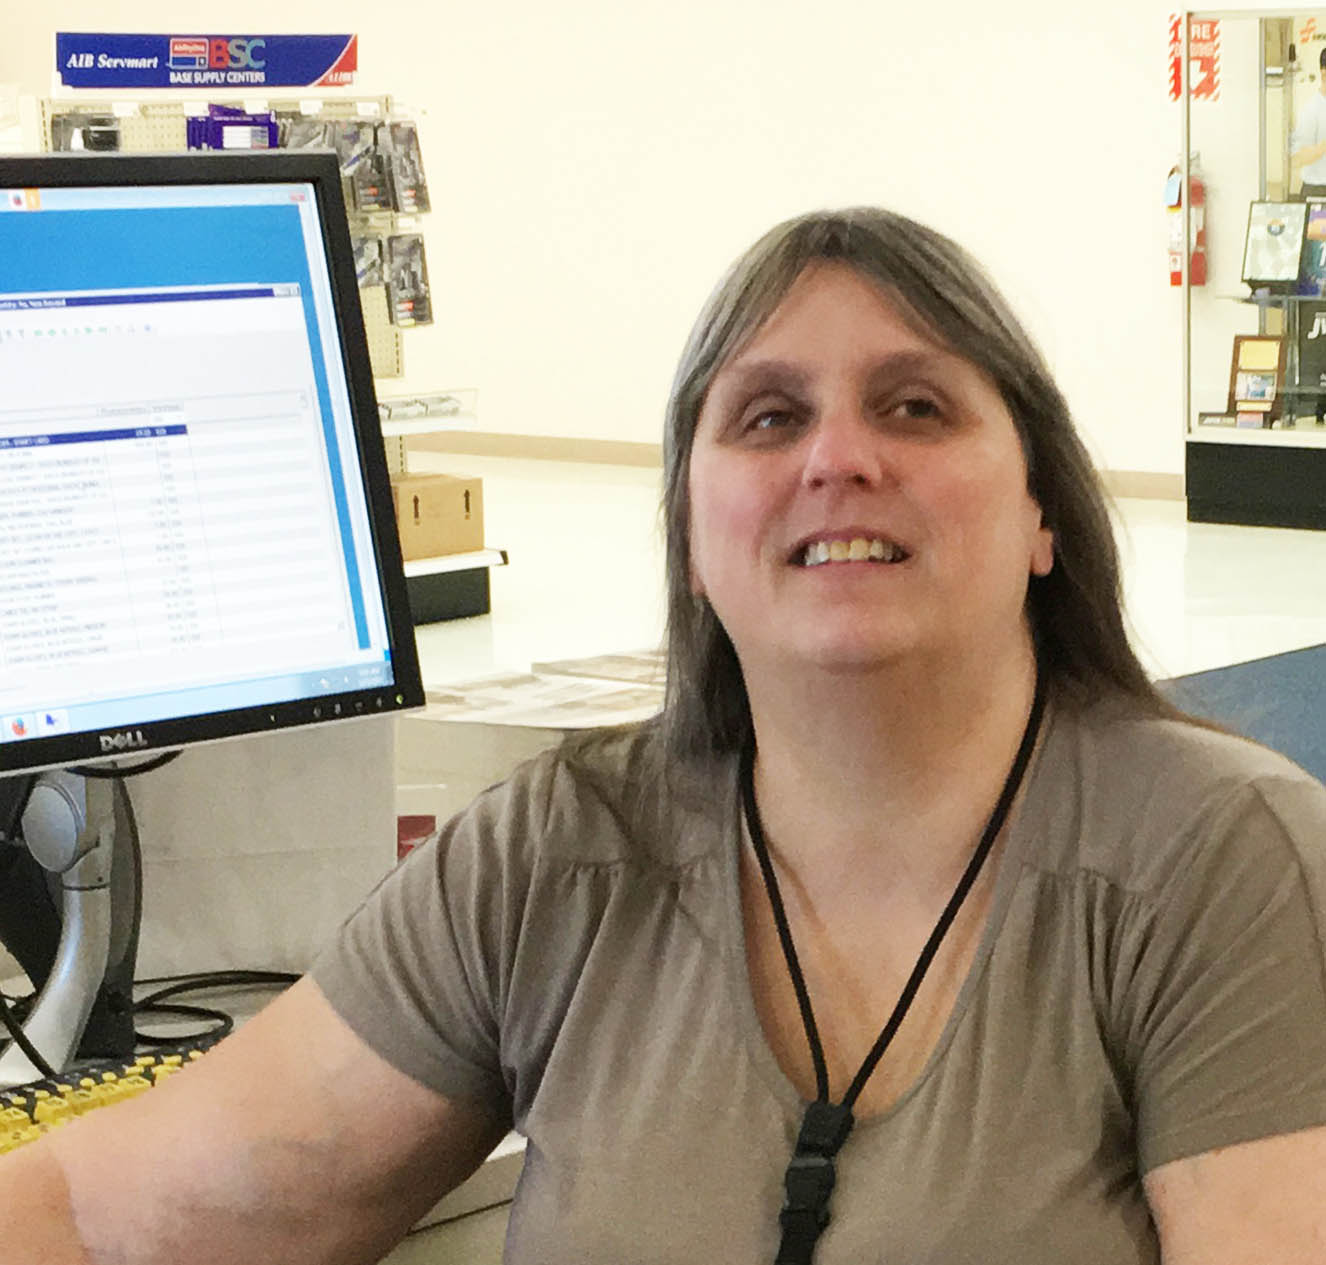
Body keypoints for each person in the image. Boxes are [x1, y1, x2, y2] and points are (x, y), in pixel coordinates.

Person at [6, 208, 1326, 1264]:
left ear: (1045, 515)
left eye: (915, 405)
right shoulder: (554, 856)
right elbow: (114, 1211)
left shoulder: (1219, 863)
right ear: (693, 540)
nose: (837, 457)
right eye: (767, 415)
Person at [1292, 46, 1326, 198]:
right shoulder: (1312, 109)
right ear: (1324, 73)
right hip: (1317, 191)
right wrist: (1323, 147)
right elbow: (1300, 157)